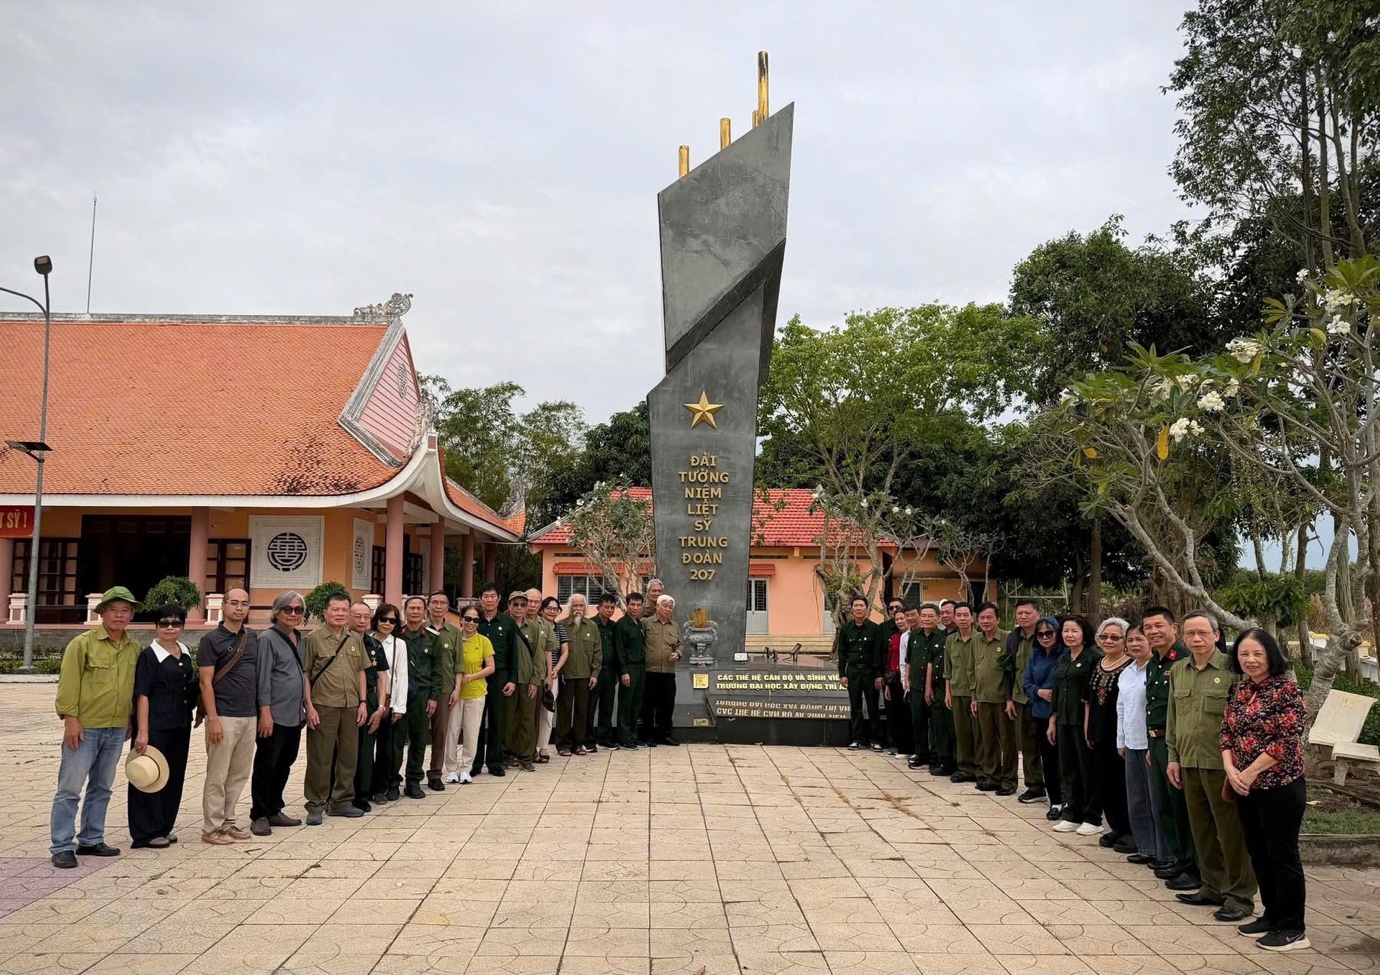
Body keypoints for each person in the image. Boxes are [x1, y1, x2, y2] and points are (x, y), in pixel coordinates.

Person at [1222, 629, 1310, 951]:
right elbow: (1226, 733)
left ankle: (1293, 928)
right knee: (1258, 852)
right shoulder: (1239, 690)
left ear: (1271, 655)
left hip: (1280, 786)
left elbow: (1285, 741)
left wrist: (1248, 773)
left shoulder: (1287, 691)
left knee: (1282, 855)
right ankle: (1271, 915)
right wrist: (1231, 771)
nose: (1251, 660)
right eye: (1244, 654)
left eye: (1257, 653)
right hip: (1245, 787)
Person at [1168, 611, 1258, 923]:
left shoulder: (1234, 670)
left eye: (1202, 633)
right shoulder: (1178, 670)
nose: (1196, 639)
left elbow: (1246, 720)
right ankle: (1212, 886)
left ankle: (1240, 896)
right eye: (1190, 633)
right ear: (1182, 637)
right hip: (1189, 761)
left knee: (1231, 833)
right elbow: (1173, 718)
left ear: (1216, 635)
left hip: (1223, 766)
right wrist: (1172, 756)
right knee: (1201, 830)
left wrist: (1241, 766)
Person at [49, 586, 144, 867]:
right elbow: (69, 684)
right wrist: (70, 720)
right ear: (102, 613)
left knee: (102, 787)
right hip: (85, 727)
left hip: (116, 728)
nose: (119, 615)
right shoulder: (82, 644)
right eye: (113, 609)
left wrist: (130, 719)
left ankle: (91, 839)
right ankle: (62, 845)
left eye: (125, 610)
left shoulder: (134, 648)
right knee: (70, 788)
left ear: (131, 615)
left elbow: (133, 689)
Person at [127, 604, 198, 850]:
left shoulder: (184, 651)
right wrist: (143, 731)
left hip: (180, 724)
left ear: (182, 627)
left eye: (176, 623)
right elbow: (142, 694)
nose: (170, 628)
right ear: (156, 626)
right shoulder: (149, 656)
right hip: (155, 726)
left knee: (172, 776)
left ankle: (164, 826)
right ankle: (145, 832)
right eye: (164, 623)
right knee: (148, 775)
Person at [1142, 607, 1200, 890]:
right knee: (1165, 805)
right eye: (1147, 627)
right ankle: (1179, 858)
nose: (1153, 632)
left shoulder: (1185, 660)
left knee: (1181, 806)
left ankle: (1194, 866)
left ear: (1174, 628)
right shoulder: (1154, 662)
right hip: (1156, 742)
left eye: (1158, 626)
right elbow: (1153, 705)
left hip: (1176, 743)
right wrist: (1151, 744)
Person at [198, 588, 258, 844]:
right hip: (223, 715)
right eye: (234, 603)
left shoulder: (252, 638)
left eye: (244, 603)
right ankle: (211, 828)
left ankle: (229, 822)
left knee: (239, 773)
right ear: (223, 606)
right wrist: (212, 718)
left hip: (249, 714)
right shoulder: (211, 640)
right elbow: (205, 682)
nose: (239, 608)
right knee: (218, 774)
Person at [302, 593, 368, 824]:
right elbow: (305, 674)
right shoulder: (313, 638)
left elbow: (360, 671)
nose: (340, 614)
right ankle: (316, 804)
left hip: (351, 706)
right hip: (323, 705)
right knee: (320, 757)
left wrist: (363, 702)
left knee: (349, 756)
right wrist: (309, 706)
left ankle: (341, 801)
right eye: (335, 609)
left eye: (344, 610)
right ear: (325, 612)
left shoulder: (355, 638)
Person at [249, 592, 308, 836]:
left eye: (298, 610)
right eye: (288, 609)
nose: (293, 614)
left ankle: (274, 808)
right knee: (266, 764)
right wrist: (265, 712)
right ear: (277, 611)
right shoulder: (268, 638)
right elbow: (263, 678)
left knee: (285, 763)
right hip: (273, 715)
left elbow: (302, 674)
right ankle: (259, 814)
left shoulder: (299, 638)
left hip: (294, 715)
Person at [1118, 622, 1170, 867]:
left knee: (1156, 800)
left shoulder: (1157, 670)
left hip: (1151, 742)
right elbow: (1121, 709)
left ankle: (1164, 852)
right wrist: (1120, 740)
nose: (1135, 644)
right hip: (1131, 742)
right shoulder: (1127, 672)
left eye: (1140, 639)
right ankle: (1145, 847)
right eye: (1130, 640)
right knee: (1137, 799)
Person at [1049, 615, 1101, 836]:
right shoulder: (1063, 658)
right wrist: (1053, 719)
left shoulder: (1094, 658)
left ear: (1084, 633)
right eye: (1065, 631)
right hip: (1064, 720)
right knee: (1068, 768)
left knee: (1086, 769)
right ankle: (1072, 814)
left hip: (1083, 722)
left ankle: (1093, 817)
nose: (1069, 635)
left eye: (1074, 631)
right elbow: (1057, 690)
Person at [1087, 617, 1134, 852]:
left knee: (1121, 783)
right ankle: (1115, 826)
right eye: (1104, 636)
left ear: (1125, 641)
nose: (1109, 641)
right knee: (1103, 782)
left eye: (1115, 637)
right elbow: (1089, 700)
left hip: (1120, 734)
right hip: (1098, 732)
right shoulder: (1098, 663)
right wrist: (1088, 728)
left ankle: (1129, 829)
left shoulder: (1131, 667)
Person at [396, 596, 440, 796]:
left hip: (422, 695)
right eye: (411, 608)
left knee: (419, 739)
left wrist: (434, 697)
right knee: (396, 740)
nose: (415, 612)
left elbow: (437, 670)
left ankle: (413, 781)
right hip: (399, 694)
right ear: (405, 611)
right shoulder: (396, 635)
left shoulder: (432, 637)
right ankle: (392, 781)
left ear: (425, 612)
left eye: (418, 608)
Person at [472, 583, 516, 777]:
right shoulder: (474, 621)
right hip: (477, 676)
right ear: (480, 599)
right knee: (476, 721)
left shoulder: (508, 622)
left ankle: (495, 762)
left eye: (492, 596)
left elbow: (514, 652)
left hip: (500, 677)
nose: (489, 600)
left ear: (499, 599)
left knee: (498, 721)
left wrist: (513, 679)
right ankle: (474, 763)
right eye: (485, 596)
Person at [970, 603, 1015, 795]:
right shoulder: (975, 640)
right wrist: (974, 697)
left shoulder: (1008, 638)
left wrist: (1010, 698)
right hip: (982, 698)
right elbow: (972, 670)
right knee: (987, 741)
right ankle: (992, 777)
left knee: (1008, 742)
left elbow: (1012, 669)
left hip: (1003, 699)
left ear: (998, 619)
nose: (986, 621)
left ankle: (1009, 781)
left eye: (989, 617)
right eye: (982, 618)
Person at [1022, 615, 1064, 820]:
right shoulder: (1035, 655)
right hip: (1040, 712)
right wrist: (1039, 692)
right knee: (1048, 759)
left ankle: (1069, 800)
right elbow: (1026, 683)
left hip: (1062, 714)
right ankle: (1055, 801)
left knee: (1064, 760)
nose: (1045, 637)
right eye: (1040, 634)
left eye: (1049, 633)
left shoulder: (1065, 654)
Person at [350, 601, 390, 812]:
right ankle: (340, 792)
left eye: (366, 616)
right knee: (345, 749)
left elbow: (382, 677)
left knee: (366, 749)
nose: (362, 620)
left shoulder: (375, 645)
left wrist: (381, 707)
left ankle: (362, 793)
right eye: (357, 616)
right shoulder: (343, 642)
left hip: (372, 699)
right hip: (347, 699)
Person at [1005, 600, 1045, 803]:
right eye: (1019, 613)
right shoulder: (1014, 637)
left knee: (1048, 747)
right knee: (1028, 746)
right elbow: (1008, 670)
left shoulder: (1046, 635)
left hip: (1043, 699)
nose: (1023, 616)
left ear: (1038, 614)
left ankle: (1060, 790)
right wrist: (1009, 699)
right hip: (1020, 698)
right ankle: (1034, 786)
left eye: (1027, 613)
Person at [447, 606, 494, 783]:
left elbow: (491, 667)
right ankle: (451, 769)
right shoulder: (454, 638)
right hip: (454, 693)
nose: (471, 623)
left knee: (471, 733)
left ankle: (466, 768)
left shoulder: (483, 641)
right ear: (461, 619)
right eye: (468, 619)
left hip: (476, 692)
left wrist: (471, 677)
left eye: (475, 620)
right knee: (451, 732)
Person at [424, 591, 461, 792]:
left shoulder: (454, 632)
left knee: (440, 734)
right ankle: (413, 774)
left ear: (447, 607)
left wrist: (457, 688)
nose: (438, 606)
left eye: (443, 603)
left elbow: (458, 663)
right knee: (419, 733)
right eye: (434, 602)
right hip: (421, 688)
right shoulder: (419, 628)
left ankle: (435, 773)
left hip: (445, 689)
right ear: (428, 606)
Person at [838, 595, 884, 751]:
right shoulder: (846, 629)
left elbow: (878, 653)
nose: (858, 608)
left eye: (861, 605)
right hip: (853, 672)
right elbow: (842, 653)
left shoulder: (875, 629)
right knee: (855, 706)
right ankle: (857, 739)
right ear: (851, 609)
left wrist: (878, 675)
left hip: (870, 671)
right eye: (856, 606)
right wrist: (842, 674)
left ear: (867, 608)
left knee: (873, 707)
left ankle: (875, 739)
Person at [370, 603, 406, 802]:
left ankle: (381, 787)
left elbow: (402, 676)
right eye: (384, 619)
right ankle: (364, 787)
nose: (387, 624)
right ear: (377, 619)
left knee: (386, 749)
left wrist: (399, 707)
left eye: (392, 621)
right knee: (366, 749)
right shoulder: (366, 640)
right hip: (368, 700)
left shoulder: (399, 645)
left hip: (389, 701)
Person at [557, 594, 601, 756]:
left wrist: (594, 673)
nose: (578, 609)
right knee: (564, 710)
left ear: (585, 607)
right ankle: (563, 744)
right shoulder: (561, 626)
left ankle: (578, 744)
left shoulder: (592, 626)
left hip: (585, 676)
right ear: (570, 608)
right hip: (566, 676)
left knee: (582, 711)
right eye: (575, 606)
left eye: (581, 606)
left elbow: (597, 652)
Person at [510, 592, 546, 771]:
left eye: (522, 605)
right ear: (509, 606)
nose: (519, 608)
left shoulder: (533, 628)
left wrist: (535, 680)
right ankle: (509, 755)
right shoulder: (505, 626)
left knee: (527, 720)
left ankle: (526, 756)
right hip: (509, 681)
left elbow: (538, 657)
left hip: (528, 680)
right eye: (515, 604)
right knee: (509, 720)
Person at [944, 603, 981, 780]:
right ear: (954, 618)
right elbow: (948, 670)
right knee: (962, 733)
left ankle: (980, 768)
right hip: (957, 692)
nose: (962, 618)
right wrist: (948, 692)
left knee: (978, 733)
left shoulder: (980, 639)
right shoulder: (950, 640)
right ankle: (965, 768)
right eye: (958, 615)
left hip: (977, 694)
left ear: (972, 618)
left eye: (966, 615)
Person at [642, 594, 683, 746]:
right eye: (664, 606)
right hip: (650, 671)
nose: (667, 609)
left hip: (668, 671)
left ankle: (665, 735)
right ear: (657, 606)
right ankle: (648, 735)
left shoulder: (675, 626)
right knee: (648, 705)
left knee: (667, 705)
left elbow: (680, 644)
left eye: (670, 607)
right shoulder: (646, 623)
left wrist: (677, 653)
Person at [903, 605, 940, 769]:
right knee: (918, 721)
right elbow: (909, 659)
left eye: (931, 616)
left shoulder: (942, 637)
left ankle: (936, 756)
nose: (927, 619)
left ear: (938, 617)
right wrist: (907, 679)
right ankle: (921, 754)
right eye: (924, 616)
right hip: (916, 686)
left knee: (936, 724)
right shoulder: (914, 635)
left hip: (935, 687)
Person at [613, 592, 648, 749]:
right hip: (628, 668)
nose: (635, 607)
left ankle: (634, 735)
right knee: (626, 703)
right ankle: (624, 737)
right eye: (632, 604)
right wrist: (624, 671)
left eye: (638, 605)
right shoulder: (621, 625)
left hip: (640, 667)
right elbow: (619, 649)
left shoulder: (639, 624)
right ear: (627, 605)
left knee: (636, 703)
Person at [924, 605, 956, 776]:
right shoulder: (938, 636)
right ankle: (944, 762)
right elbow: (930, 663)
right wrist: (928, 687)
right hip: (937, 689)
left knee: (954, 729)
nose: (945, 616)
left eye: (948, 612)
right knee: (939, 728)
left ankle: (958, 763)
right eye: (942, 613)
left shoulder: (960, 635)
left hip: (953, 689)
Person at [535, 595, 567, 761]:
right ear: (542, 610)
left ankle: (543, 747)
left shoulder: (560, 628)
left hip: (552, 675)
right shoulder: (535, 625)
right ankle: (531, 747)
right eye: (549, 608)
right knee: (533, 713)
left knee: (547, 713)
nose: (552, 611)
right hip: (535, 675)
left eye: (555, 609)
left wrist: (556, 669)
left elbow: (565, 651)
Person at [882, 601, 914, 758]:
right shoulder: (895, 638)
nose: (900, 621)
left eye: (903, 618)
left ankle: (912, 748)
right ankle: (900, 747)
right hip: (895, 679)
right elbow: (891, 661)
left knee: (909, 715)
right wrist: (888, 683)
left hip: (910, 681)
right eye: (897, 619)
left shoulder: (914, 635)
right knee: (896, 714)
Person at [592, 592, 619, 749]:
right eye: (606, 607)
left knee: (607, 706)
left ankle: (604, 737)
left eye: (612, 607)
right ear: (599, 607)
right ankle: (588, 738)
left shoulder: (614, 627)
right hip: (595, 672)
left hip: (610, 671)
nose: (609, 610)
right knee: (590, 706)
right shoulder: (591, 624)